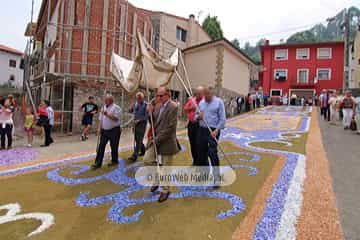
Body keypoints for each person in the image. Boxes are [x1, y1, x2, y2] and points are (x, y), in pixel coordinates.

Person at [143, 87, 180, 203]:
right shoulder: (158, 106)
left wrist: (157, 139)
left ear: (168, 95)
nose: (158, 98)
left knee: (166, 168)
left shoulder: (173, 107)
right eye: (157, 96)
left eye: (161, 96)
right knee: (147, 159)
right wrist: (149, 113)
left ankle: (165, 190)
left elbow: (171, 128)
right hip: (156, 140)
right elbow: (153, 123)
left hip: (167, 141)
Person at [197, 86, 226, 188]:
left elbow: (222, 119)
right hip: (202, 130)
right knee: (202, 153)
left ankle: (216, 179)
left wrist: (217, 130)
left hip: (213, 130)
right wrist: (198, 117)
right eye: (204, 94)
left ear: (212, 93)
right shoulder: (201, 103)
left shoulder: (219, 102)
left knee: (212, 153)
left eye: (208, 94)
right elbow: (197, 116)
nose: (206, 96)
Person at [92, 94, 122, 169]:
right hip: (104, 131)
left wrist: (107, 114)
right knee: (101, 146)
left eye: (106, 100)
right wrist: (99, 128)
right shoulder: (103, 107)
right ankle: (98, 163)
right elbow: (100, 119)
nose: (105, 101)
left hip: (114, 130)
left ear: (111, 100)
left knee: (114, 146)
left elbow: (116, 119)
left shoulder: (117, 108)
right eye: (105, 100)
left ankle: (114, 161)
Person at [184, 86, 204, 165]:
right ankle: (195, 160)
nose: (198, 95)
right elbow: (185, 109)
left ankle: (199, 161)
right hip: (191, 124)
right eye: (197, 93)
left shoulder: (205, 102)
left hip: (199, 125)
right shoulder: (192, 100)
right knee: (192, 143)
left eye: (199, 93)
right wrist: (192, 108)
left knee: (198, 144)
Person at [128, 92, 148, 162]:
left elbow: (146, 116)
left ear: (142, 98)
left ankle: (134, 155)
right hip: (135, 124)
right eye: (137, 99)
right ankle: (143, 151)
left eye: (140, 99)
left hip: (142, 125)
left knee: (139, 139)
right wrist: (130, 108)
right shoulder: (136, 104)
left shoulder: (146, 105)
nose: (138, 100)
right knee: (137, 139)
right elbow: (131, 111)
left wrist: (139, 120)